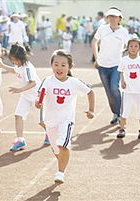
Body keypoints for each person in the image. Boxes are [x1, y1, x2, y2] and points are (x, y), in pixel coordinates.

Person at [35, 49, 95, 184]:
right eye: (56, 64)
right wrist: (38, 105)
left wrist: (91, 110)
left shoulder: (74, 82)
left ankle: (60, 172)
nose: (59, 68)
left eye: (63, 65)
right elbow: (40, 96)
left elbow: (90, 92)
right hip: (50, 121)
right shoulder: (47, 81)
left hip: (66, 120)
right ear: (51, 66)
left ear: (69, 67)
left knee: (63, 145)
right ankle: (62, 162)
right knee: (56, 149)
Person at [0, 43, 41, 151]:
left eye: (16, 60)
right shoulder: (18, 65)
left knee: (41, 121)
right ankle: (20, 140)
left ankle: (50, 134)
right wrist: (2, 66)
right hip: (25, 96)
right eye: (13, 60)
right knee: (18, 115)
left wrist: (19, 90)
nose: (15, 62)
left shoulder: (27, 68)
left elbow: (33, 83)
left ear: (22, 57)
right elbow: (14, 70)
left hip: (36, 97)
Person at [92, 7, 129, 124]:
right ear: (107, 18)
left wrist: (123, 53)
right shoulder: (102, 29)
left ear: (120, 19)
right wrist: (96, 58)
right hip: (102, 65)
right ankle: (115, 113)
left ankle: (121, 113)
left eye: (115, 17)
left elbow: (130, 45)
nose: (112, 19)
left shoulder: (123, 32)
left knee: (114, 87)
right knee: (108, 91)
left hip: (116, 65)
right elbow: (94, 41)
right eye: (110, 16)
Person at [117, 38, 140, 139]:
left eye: (136, 46)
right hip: (127, 91)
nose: (133, 48)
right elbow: (121, 72)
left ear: (139, 48)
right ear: (128, 47)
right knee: (124, 111)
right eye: (131, 46)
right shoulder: (124, 60)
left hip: (139, 91)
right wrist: (122, 81)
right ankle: (122, 129)